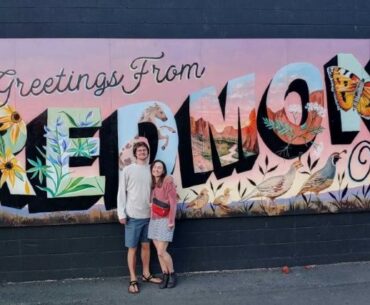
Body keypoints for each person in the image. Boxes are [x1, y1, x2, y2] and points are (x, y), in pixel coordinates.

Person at [117, 141, 161, 294]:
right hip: (133, 216)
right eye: (139, 150)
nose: (142, 152)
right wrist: (121, 214)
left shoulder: (151, 170)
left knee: (146, 246)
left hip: (149, 216)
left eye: (144, 150)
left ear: (147, 153)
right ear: (135, 153)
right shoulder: (128, 170)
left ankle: (146, 274)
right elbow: (122, 192)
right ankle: (133, 279)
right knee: (132, 248)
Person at [148, 159, 178, 289]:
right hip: (154, 220)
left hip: (166, 220)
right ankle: (165, 275)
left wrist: (171, 220)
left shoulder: (168, 181)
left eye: (159, 168)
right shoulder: (153, 183)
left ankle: (172, 274)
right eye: (155, 167)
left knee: (161, 251)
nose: (156, 170)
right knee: (158, 251)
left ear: (163, 170)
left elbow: (173, 203)